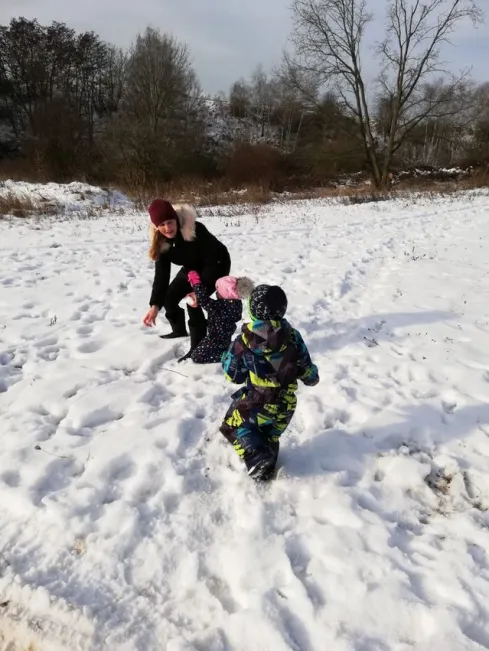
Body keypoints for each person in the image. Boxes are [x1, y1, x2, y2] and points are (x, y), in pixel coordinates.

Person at [219, 284, 319, 481]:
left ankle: (258, 458)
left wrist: (227, 358)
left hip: (258, 404)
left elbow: (233, 376)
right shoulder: (293, 336)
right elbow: (309, 372)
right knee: (268, 436)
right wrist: (311, 376)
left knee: (231, 425)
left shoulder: (244, 341)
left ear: (253, 310)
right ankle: (267, 464)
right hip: (286, 407)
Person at [143, 199, 231, 361]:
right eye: (162, 224)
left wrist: (200, 291)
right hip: (191, 267)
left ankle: (197, 347)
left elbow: (212, 260)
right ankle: (179, 330)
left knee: (193, 302)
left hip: (216, 264)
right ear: (156, 226)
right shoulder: (161, 242)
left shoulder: (195, 229)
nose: (167, 228)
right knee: (169, 298)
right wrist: (154, 305)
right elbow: (161, 275)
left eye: (170, 222)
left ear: (176, 219)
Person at [178, 271, 254, 364]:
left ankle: (225, 356)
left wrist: (196, 283)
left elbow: (205, 300)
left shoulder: (219, 307)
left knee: (196, 356)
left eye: (218, 290)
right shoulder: (235, 304)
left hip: (214, 340)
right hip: (225, 338)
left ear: (227, 293)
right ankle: (225, 352)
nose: (216, 292)